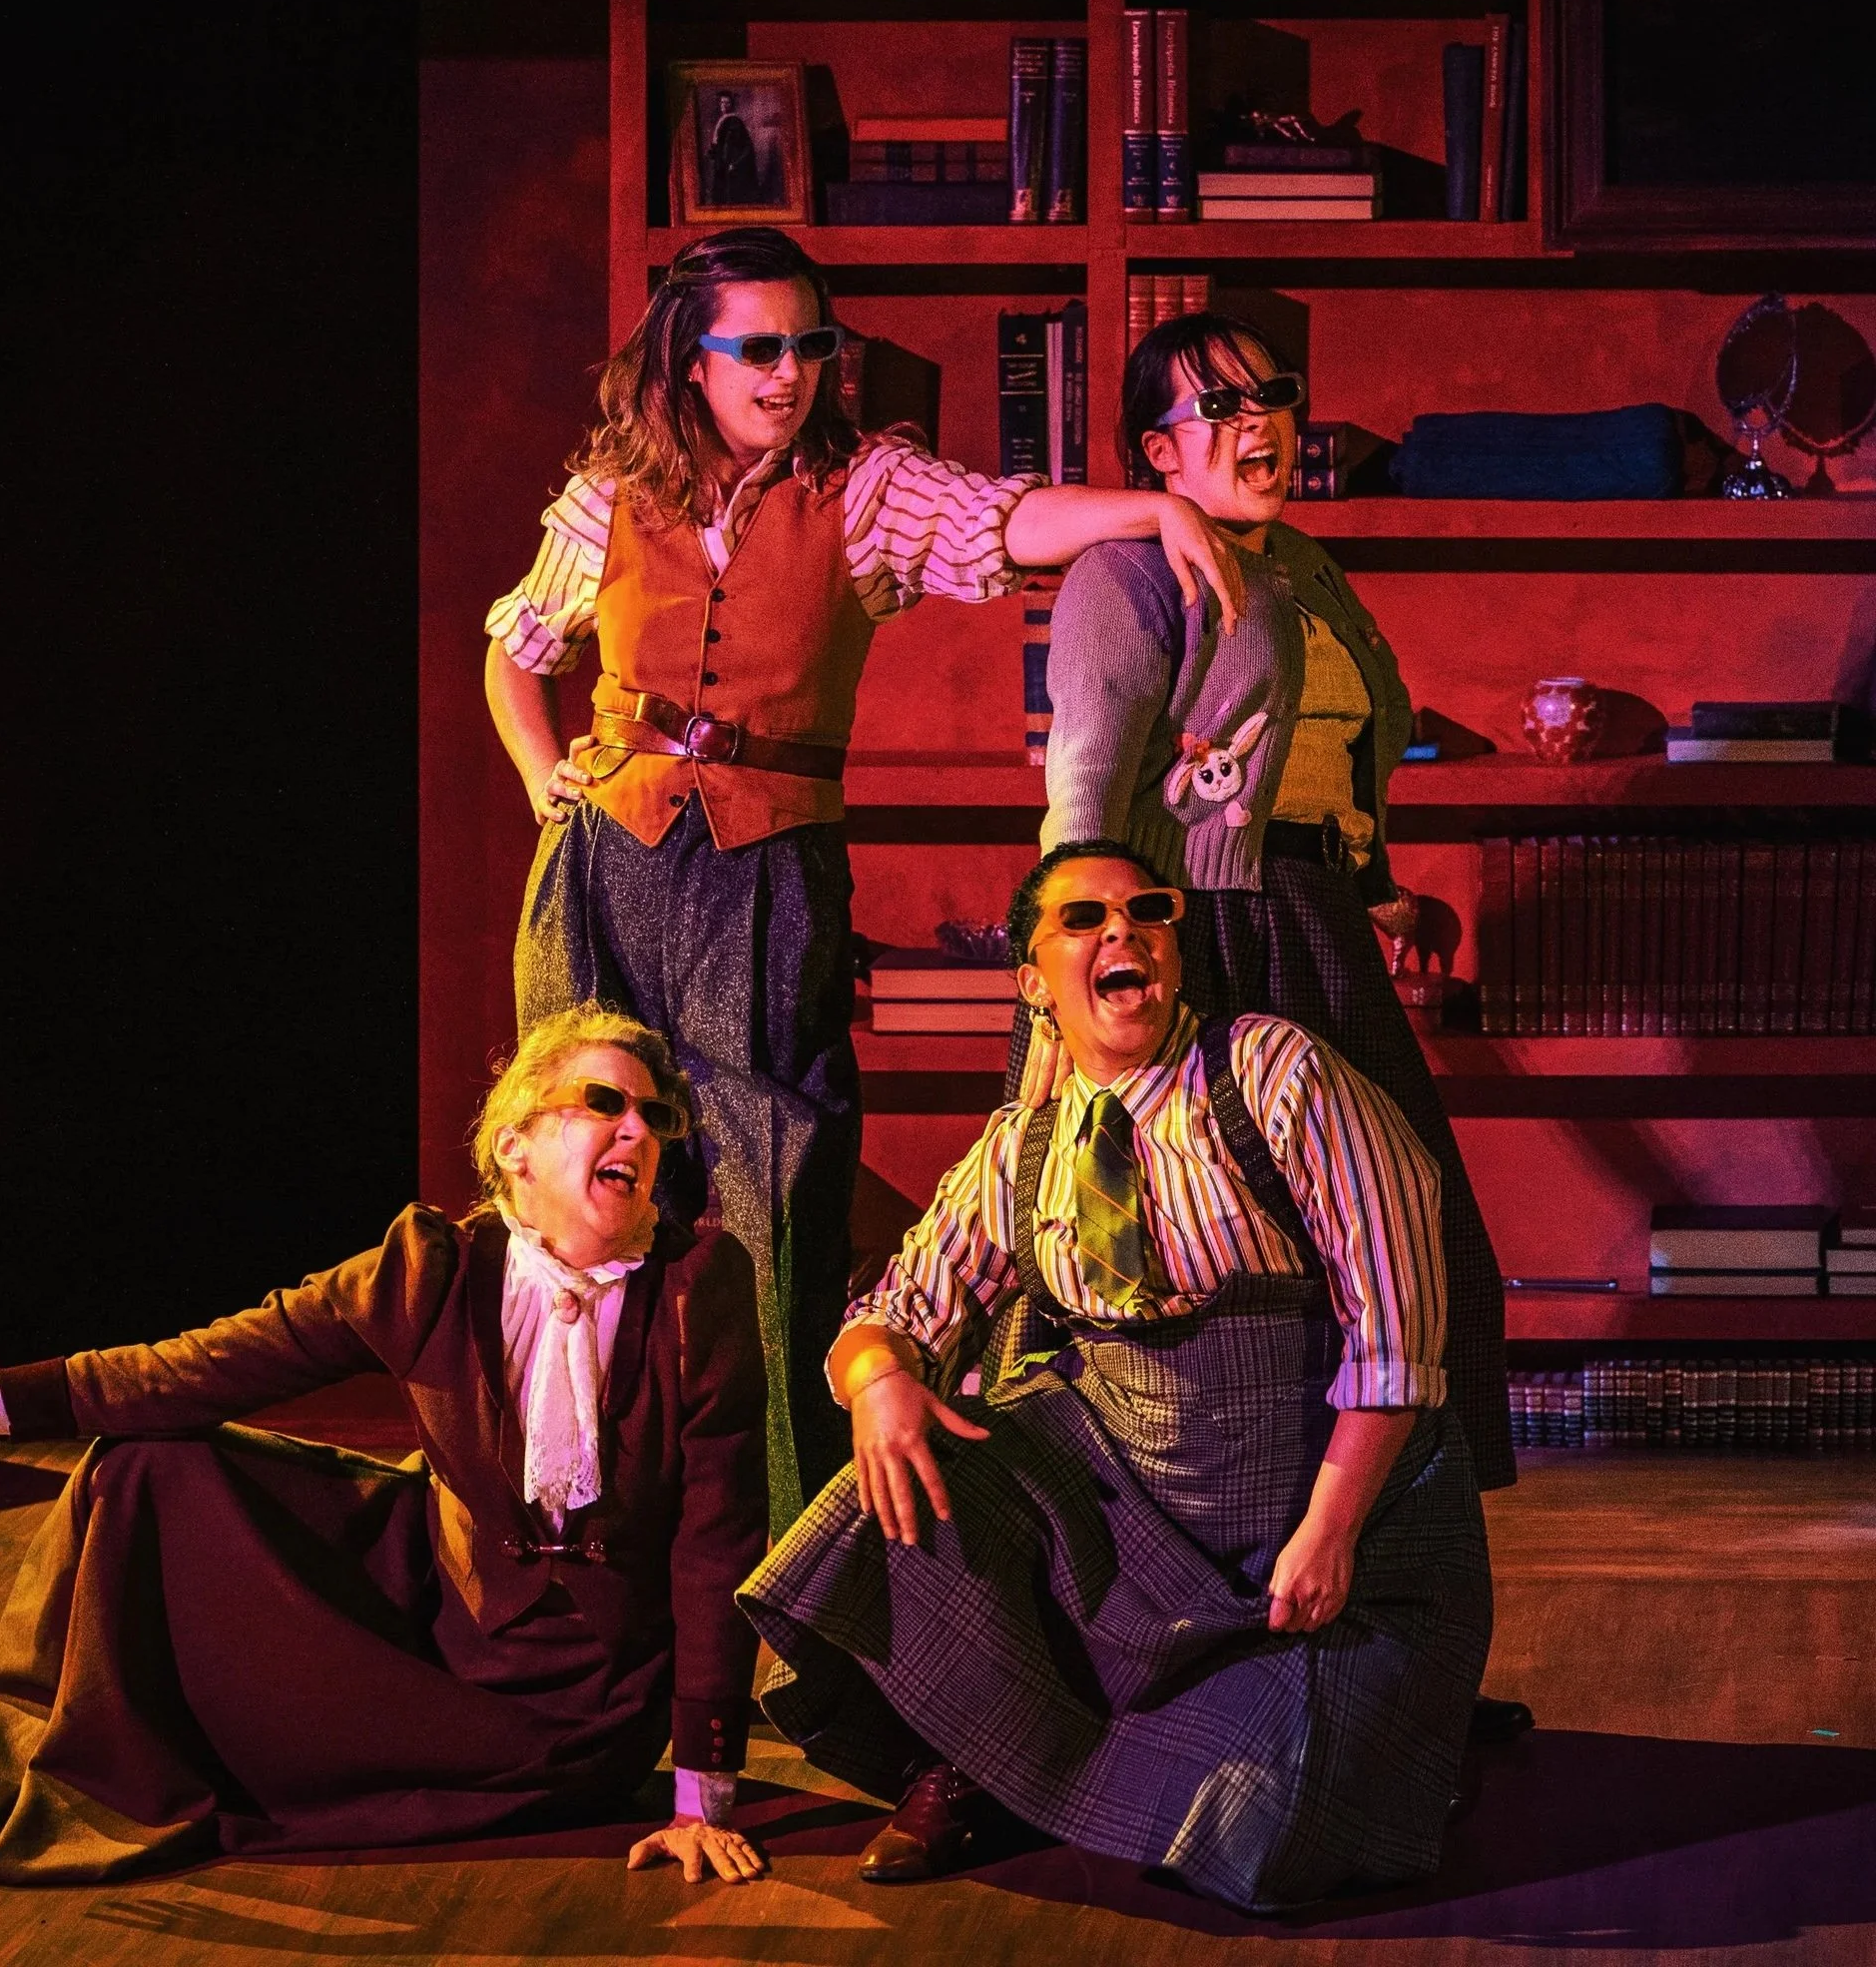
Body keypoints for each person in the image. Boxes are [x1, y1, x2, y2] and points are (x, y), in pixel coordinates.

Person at [483, 224, 1246, 1533]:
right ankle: (569, 1510)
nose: (789, 373)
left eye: (809, 345)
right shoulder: (615, 497)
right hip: (602, 863)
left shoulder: (863, 491)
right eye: (758, 349)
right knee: (571, 1174)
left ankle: (768, 1536)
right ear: (692, 360)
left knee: (768, 1192)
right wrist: (540, 772)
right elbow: (517, 646)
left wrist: (1156, 508)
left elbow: (1006, 519)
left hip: (765, 874)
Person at [741, 843, 1494, 1914]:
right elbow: (894, 1312)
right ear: (1031, 980)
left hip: (1311, 1514)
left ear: (1174, 950)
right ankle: (978, 1762)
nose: (1121, 930)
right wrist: (879, 1383)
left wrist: (1330, 1529)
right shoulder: (1023, 1147)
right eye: (1082, 918)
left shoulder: (1272, 1073)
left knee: (1271, 1838)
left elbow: (1397, 1326)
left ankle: (1373, 1747)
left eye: (1146, 910)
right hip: (1125, 1516)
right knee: (885, 1492)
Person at [0, 1007, 771, 1887]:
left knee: (270, 1757)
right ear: (516, 1146)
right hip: (437, 1628)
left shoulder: (697, 1289)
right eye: (604, 1103)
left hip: (582, 1708)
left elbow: (716, 1541)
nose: (636, 1131)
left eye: (655, 1117)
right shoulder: (434, 1269)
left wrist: (703, 1796)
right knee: (143, 1467)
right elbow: (201, 1367)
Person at [1016, 312, 1519, 1515]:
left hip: (1313, 920)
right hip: (1201, 933)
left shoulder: (1302, 565)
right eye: (1220, 406)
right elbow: (1082, 789)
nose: (1261, 424)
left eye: (1273, 396)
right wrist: (1076, 967)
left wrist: (1371, 881)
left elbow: (1326, 756)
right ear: (1156, 450)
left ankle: (1398, 1554)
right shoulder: (1125, 574)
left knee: (1404, 1232)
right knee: (1229, 1250)